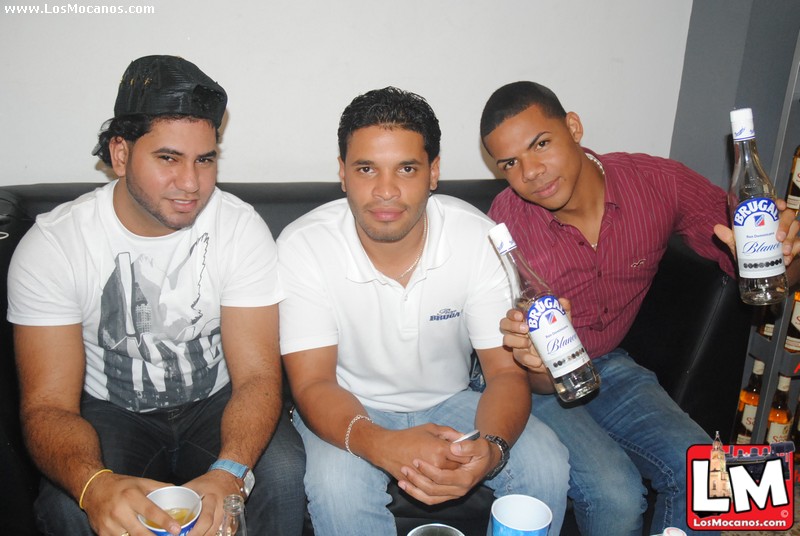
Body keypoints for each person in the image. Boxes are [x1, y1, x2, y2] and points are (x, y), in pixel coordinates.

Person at [479, 81, 800, 536]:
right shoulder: (505, 226)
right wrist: (540, 365)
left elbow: (759, 262)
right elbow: (514, 368)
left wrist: (785, 249)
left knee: (704, 474)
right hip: (532, 381)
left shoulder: (656, 183)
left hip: (608, 363)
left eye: (541, 144)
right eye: (509, 163)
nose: (530, 171)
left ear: (573, 127)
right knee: (617, 494)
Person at [7, 55, 305, 536]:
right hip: (112, 411)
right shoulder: (55, 245)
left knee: (285, 476)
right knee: (69, 510)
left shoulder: (239, 227)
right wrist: (93, 485)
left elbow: (257, 377)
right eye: (168, 158)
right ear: (120, 153)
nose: (191, 183)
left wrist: (230, 473)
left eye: (204, 159)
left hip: (217, 402)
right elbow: (48, 406)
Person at [277, 86, 570, 536]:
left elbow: (505, 373)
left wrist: (491, 449)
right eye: (366, 169)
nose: (386, 191)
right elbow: (312, 382)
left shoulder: (478, 238)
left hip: (454, 401)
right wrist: (382, 444)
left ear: (433, 172)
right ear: (342, 173)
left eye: (407, 168)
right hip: (351, 405)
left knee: (546, 462)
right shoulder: (304, 247)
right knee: (337, 486)